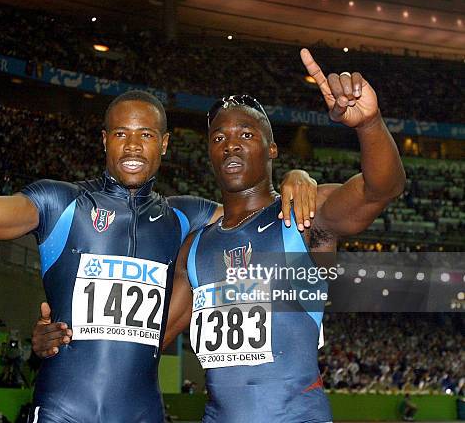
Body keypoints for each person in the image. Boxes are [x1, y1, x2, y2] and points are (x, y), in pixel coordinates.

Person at [0, 84, 316, 422]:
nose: (133, 146)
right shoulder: (58, 204)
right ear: (104, 140)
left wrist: (298, 178)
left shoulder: (186, 217)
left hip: (143, 413)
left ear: (165, 144)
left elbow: (260, 204)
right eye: (121, 134)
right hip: (64, 409)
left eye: (146, 135)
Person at [160, 49, 405, 422]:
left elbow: (380, 189)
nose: (231, 145)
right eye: (219, 138)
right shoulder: (195, 246)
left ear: (271, 148)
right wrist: (59, 339)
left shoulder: (303, 216)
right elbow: (150, 341)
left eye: (246, 134)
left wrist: (369, 124)